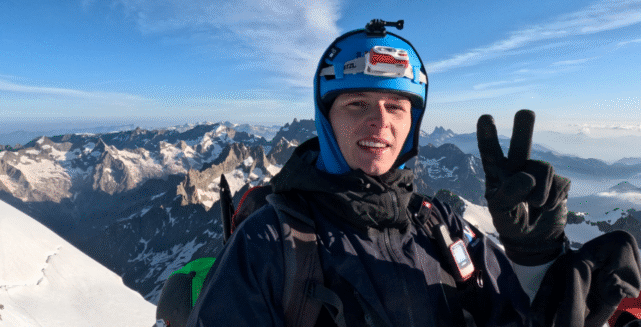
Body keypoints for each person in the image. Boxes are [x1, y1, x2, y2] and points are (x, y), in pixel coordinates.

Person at [186, 19, 640, 327]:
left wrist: (534, 260)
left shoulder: (442, 225)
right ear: (327, 120)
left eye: (396, 107)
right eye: (357, 104)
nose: (379, 122)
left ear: (412, 124)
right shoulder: (269, 242)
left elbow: (514, 318)